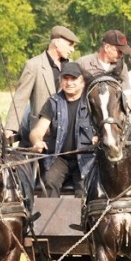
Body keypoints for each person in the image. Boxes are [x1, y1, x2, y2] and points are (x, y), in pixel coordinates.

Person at [28, 62, 95, 196]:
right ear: (61, 81)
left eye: (73, 79)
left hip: (85, 158)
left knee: (86, 187)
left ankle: (83, 217)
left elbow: (104, 128)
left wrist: (98, 136)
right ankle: (51, 217)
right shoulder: (53, 102)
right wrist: (36, 141)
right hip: (58, 158)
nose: (69, 82)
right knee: (49, 181)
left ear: (83, 82)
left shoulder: (92, 102)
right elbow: (38, 130)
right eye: (66, 78)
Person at [5, 25, 79, 145]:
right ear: (57, 42)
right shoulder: (33, 65)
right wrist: (10, 128)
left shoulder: (73, 66)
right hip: (40, 135)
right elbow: (20, 98)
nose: (72, 50)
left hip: (67, 136)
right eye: (69, 45)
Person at [76, 29, 131, 95]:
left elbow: (127, 92)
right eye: (119, 51)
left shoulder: (121, 67)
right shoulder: (83, 63)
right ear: (107, 47)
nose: (121, 55)